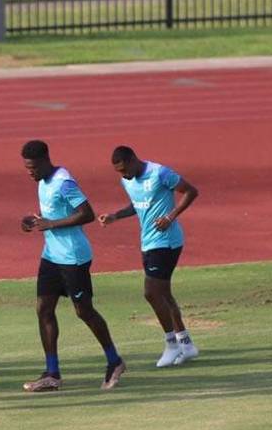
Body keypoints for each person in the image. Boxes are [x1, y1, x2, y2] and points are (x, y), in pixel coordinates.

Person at [20, 141, 125, 392]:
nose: (29, 172)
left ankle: (115, 361)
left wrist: (52, 224)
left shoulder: (63, 182)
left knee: (84, 311)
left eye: (32, 167)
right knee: (43, 309)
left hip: (73, 257)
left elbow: (87, 214)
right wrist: (34, 222)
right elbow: (52, 214)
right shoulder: (44, 182)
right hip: (51, 256)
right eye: (26, 167)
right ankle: (52, 374)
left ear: (45, 160)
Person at [98, 146, 199, 367]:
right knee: (163, 293)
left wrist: (170, 217)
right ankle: (187, 344)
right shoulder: (127, 180)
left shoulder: (160, 173)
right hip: (148, 242)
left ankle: (171, 344)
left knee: (151, 293)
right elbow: (137, 205)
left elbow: (191, 191)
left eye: (124, 169)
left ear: (133, 159)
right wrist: (116, 216)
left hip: (167, 241)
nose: (123, 175)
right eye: (118, 172)